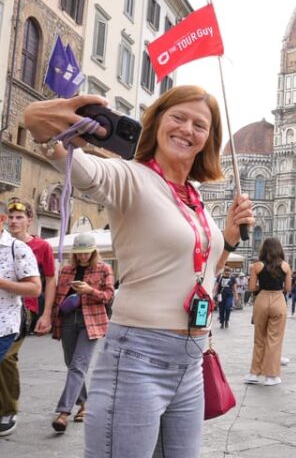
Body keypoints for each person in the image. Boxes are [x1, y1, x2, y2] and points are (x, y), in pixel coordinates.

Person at [23, 87, 255, 457]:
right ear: (157, 122)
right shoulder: (130, 177)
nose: (187, 129)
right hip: (138, 358)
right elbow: (78, 166)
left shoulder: (194, 199)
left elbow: (205, 274)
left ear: (208, 141)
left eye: (200, 125)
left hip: (191, 362)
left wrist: (226, 241)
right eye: (177, 117)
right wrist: (42, 121)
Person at [0, 197, 55, 437]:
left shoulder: (37, 246)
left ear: (29, 221)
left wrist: (46, 314)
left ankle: (9, 409)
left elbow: (48, 281)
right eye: (11, 217)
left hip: (23, 311)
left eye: (18, 217)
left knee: (7, 357)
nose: (14, 221)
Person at [50, 232, 114, 433]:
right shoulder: (67, 270)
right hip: (68, 320)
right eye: (79, 253)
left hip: (91, 321)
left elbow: (108, 296)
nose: (83, 257)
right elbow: (58, 296)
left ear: (93, 251)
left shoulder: (104, 269)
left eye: (86, 253)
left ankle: (63, 413)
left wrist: (89, 291)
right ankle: (84, 405)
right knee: (72, 364)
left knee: (78, 365)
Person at [245, 237, 291, 386]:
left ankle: (254, 373)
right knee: (274, 339)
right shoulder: (285, 266)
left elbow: (252, 288)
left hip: (262, 299)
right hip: (278, 299)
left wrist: (262, 287)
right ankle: (271, 376)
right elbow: (288, 288)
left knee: (259, 338)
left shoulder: (256, 266)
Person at [0, 200, 41, 364]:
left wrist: (1, 283)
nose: (14, 220)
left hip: (3, 327)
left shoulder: (17, 248)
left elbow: (35, 288)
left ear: (2, 219)